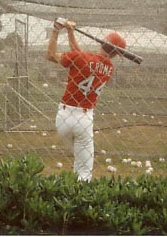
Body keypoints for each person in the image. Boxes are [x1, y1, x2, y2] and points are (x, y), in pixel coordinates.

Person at [46, 18, 126, 182]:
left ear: (103, 42)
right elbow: (82, 58)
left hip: (63, 117)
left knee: (78, 162)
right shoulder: (109, 68)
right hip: (83, 120)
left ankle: (71, 190)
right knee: (84, 170)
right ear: (116, 55)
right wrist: (70, 33)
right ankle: (80, 198)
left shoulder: (82, 58)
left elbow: (52, 55)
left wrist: (56, 30)